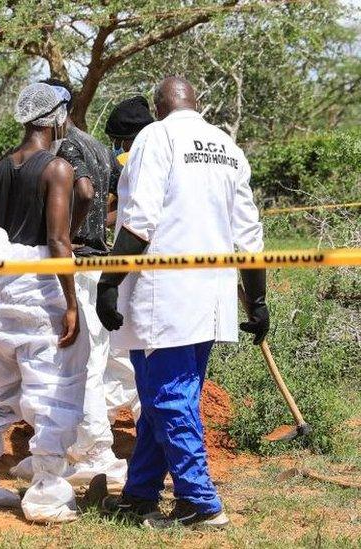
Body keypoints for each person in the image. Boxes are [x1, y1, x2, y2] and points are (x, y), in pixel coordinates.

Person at [96, 77, 268, 529]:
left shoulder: (156, 136)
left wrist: (109, 281)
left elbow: (140, 219)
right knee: (161, 396)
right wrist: (258, 301)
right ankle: (140, 495)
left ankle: (200, 502)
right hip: (208, 300)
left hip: (164, 297)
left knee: (170, 398)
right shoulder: (227, 147)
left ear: (158, 107)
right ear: (197, 102)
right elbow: (249, 235)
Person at [0, 82, 90, 523]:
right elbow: (58, 240)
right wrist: (71, 304)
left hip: (1, 291)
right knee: (50, 390)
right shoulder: (58, 169)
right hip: (38, 292)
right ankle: (46, 491)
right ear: (57, 117)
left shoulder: (0, 168)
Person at [25, 78, 127, 487]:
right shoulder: (100, 146)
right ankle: (84, 447)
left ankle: (92, 449)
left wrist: (65, 230)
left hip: (79, 262)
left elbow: (83, 191)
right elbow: (116, 197)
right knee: (95, 359)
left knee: (78, 364)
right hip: (97, 262)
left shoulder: (66, 147)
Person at [100, 96, 154, 420]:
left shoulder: (144, 157)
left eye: (119, 141)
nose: (118, 148)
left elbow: (138, 223)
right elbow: (122, 210)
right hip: (135, 269)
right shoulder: (140, 158)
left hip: (142, 272)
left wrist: (108, 280)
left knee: (139, 361)